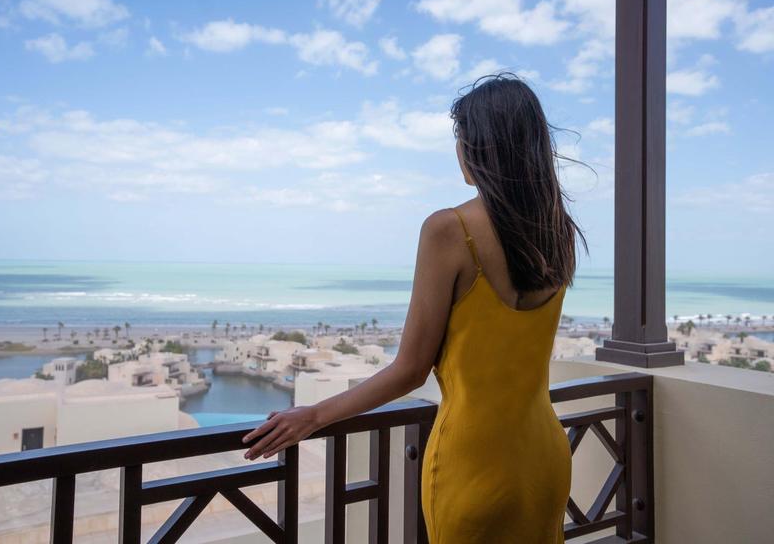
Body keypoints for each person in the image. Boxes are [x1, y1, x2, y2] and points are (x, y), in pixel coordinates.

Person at [242, 72, 590, 543]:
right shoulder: (558, 231)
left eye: (462, 139)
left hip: (473, 465)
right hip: (545, 459)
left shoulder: (449, 230)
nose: (458, 152)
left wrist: (314, 416)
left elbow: (410, 370)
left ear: (481, 147)